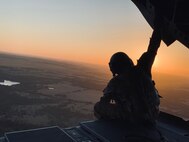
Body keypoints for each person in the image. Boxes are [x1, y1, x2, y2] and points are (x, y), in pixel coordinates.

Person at [94, 28, 161, 126]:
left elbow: (106, 100)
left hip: (136, 120)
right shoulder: (143, 68)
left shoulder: (116, 82)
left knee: (98, 107)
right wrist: (158, 27)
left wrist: (116, 103)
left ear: (116, 67)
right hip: (153, 116)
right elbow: (153, 48)